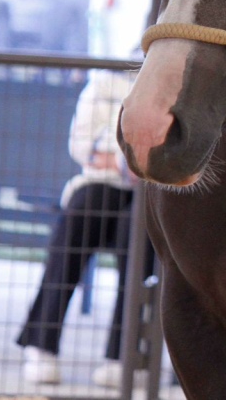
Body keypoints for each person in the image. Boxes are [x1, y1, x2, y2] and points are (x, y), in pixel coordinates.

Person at [17, 69, 139, 388]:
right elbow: (82, 146)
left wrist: (125, 161)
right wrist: (125, 163)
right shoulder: (104, 81)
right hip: (100, 183)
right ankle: (41, 345)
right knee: (80, 214)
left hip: (151, 191)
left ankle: (124, 355)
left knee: (139, 234)